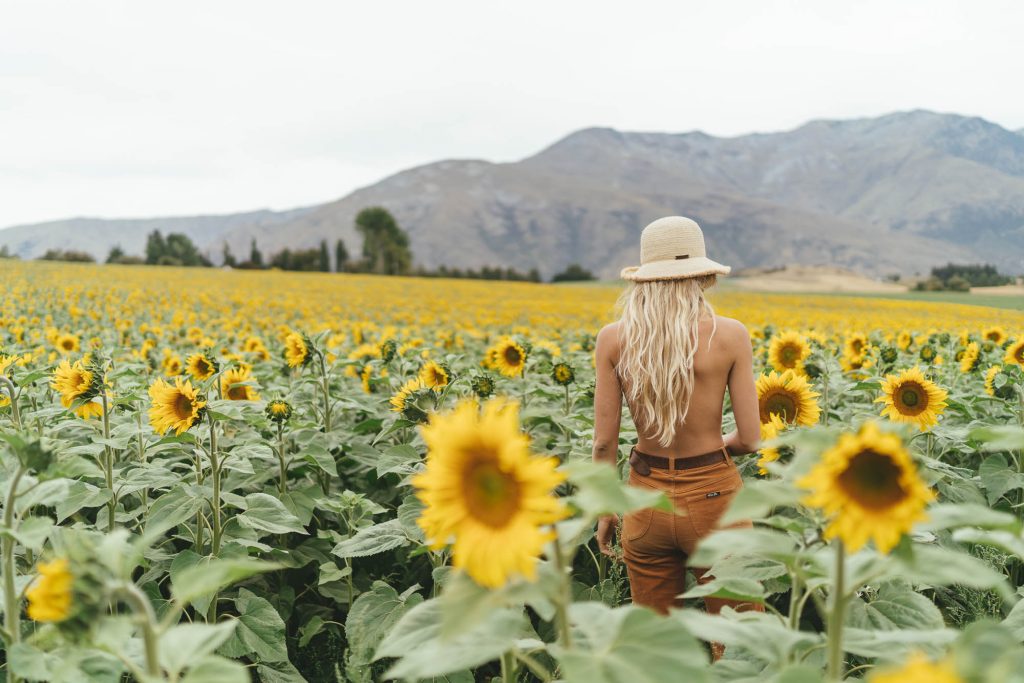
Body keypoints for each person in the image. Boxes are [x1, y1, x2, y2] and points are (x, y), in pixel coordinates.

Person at [592, 215, 764, 659]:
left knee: (655, 650)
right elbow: (750, 438)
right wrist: (713, 451)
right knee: (742, 642)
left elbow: (603, 445)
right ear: (704, 275)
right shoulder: (730, 335)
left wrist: (606, 509)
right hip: (715, 498)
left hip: (644, 499)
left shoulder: (614, 339)